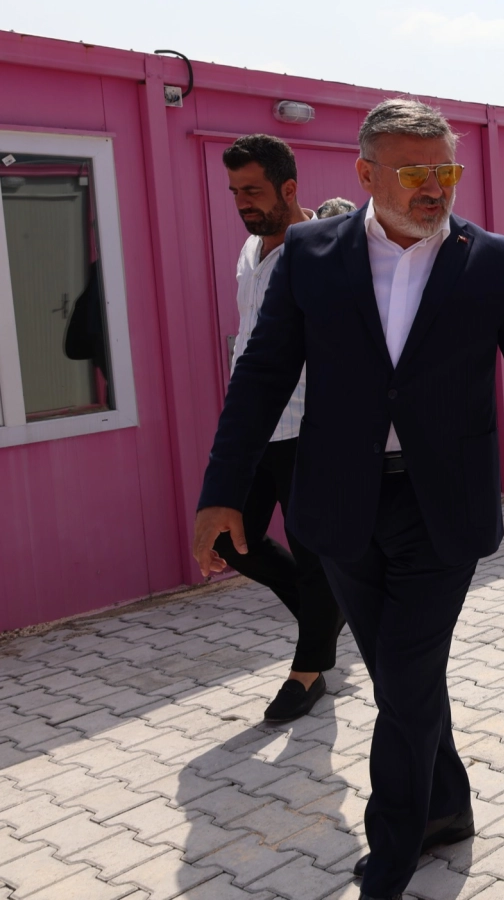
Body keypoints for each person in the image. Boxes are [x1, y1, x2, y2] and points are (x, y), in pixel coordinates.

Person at [193, 99, 504, 900]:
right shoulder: (311, 254)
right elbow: (260, 376)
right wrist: (222, 490)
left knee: (403, 681)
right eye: (414, 172)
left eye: (445, 170)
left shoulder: (489, 259)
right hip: (340, 505)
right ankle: (447, 808)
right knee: (406, 679)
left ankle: (393, 851)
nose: (435, 187)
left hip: (441, 505)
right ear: (366, 174)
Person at [189, 134, 346, 724]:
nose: (242, 203)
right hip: (257, 427)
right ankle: (324, 614)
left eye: (253, 191)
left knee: (314, 551)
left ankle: (309, 671)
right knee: (231, 541)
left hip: (312, 425)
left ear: (289, 188)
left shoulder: (324, 253)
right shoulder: (249, 251)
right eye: (235, 192)